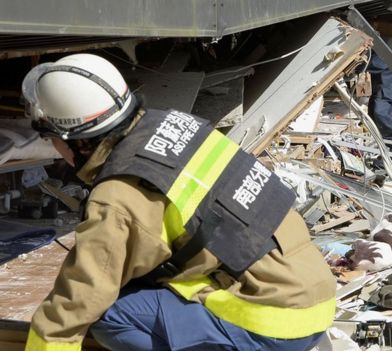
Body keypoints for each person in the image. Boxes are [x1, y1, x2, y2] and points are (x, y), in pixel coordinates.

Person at [22, 53, 336, 351]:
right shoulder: (174, 126)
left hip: (277, 322)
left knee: (108, 316)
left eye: (50, 138)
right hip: (312, 291)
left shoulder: (117, 197)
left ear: (76, 140)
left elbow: (78, 299)